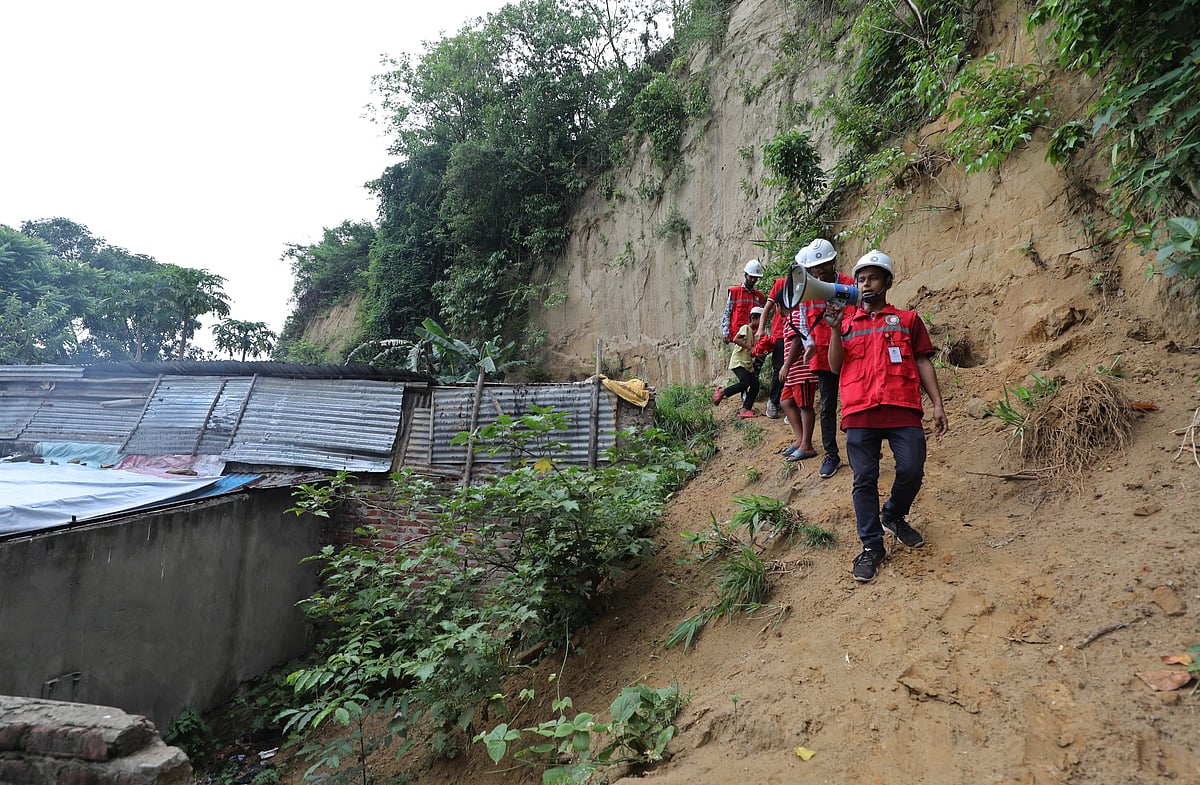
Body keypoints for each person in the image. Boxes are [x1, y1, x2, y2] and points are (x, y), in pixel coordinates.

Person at [826, 249, 949, 583]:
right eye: (861, 279)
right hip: (859, 409)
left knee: (911, 468)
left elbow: (924, 361)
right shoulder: (846, 322)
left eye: (873, 278)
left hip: (902, 405)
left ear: (887, 282)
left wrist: (937, 403)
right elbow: (835, 367)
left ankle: (893, 515)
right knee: (864, 478)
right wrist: (835, 330)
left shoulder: (907, 320)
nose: (866, 284)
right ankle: (871, 546)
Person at [798, 238, 856, 479]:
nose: (819, 270)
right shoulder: (807, 290)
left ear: (833, 261)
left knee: (854, 402)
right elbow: (803, 321)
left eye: (823, 264)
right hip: (822, 355)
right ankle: (831, 454)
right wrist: (808, 344)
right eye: (815, 267)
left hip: (853, 352)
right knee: (828, 406)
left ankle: (858, 450)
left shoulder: (850, 285)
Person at [713, 306, 764, 418]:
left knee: (755, 384)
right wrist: (750, 348)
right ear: (754, 318)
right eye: (761, 319)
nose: (762, 323)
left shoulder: (752, 333)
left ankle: (745, 409)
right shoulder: (746, 328)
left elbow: (749, 351)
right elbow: (736, 339)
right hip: (738, 362)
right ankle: (722, 392)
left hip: (746, 364)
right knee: (745, 382)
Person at [721, 259, 767, 345]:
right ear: (745, 275)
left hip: (752, 336)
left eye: (756, 278)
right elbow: (727, 312)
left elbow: (761, 318)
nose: (753, 280)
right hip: (736, 336)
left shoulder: (760, 297)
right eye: (751, 277)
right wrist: (725, 331)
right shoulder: (735, 292)